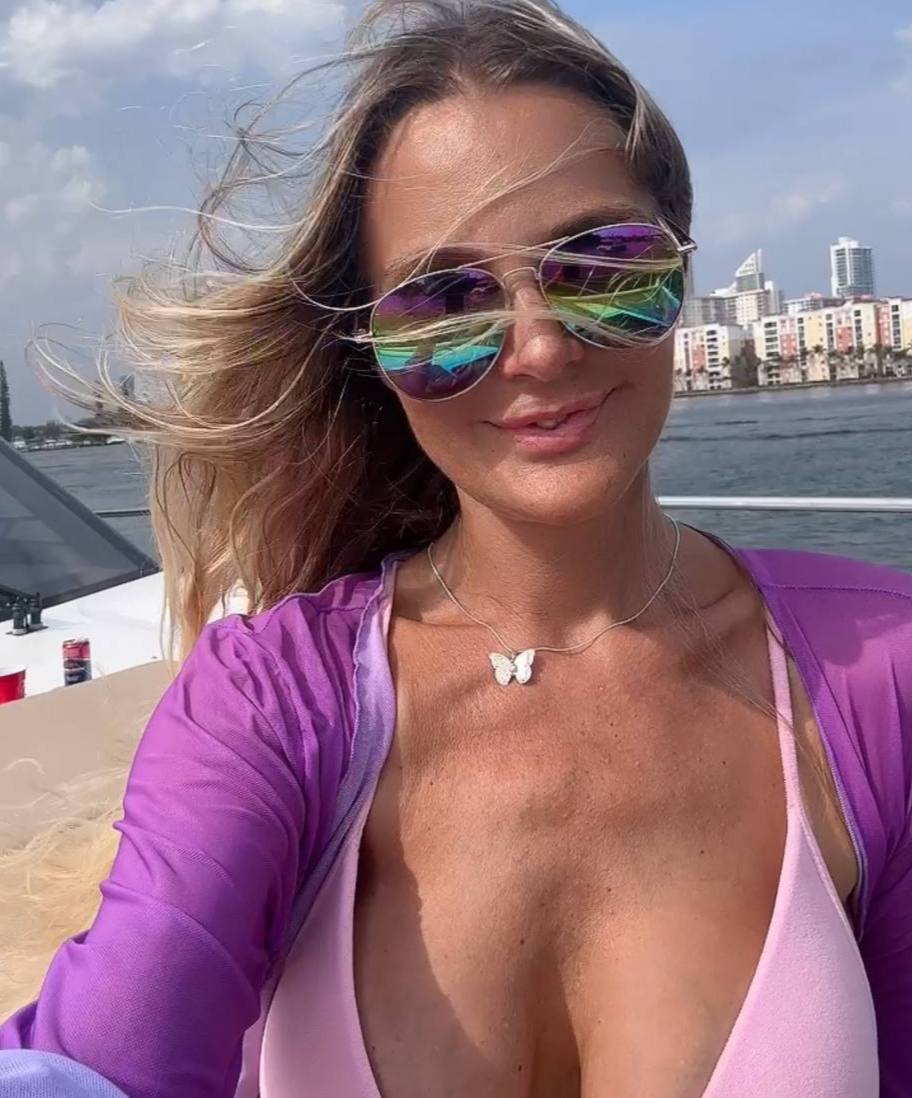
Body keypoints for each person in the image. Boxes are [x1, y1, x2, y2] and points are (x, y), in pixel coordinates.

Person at [1, 0, 910, 1095]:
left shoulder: (880, 678)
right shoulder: (272, 706)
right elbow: (103, 1055)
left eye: (602, 266)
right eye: (444, 302)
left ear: (681, 268)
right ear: (373, 353)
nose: (539, 348)